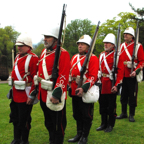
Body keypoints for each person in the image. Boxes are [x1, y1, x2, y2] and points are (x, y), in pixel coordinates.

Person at [36, 25, 70, 144]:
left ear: (56, 39)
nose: (45, 39)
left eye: (48, 37)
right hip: (43, 93)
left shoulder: (63, 53)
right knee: (48, 122)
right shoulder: (44, 52)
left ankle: (58, 141)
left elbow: (64, 75)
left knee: (58, 123)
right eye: (45, 37)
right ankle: (52, 140)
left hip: (55, 94)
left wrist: (56, 94)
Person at [68, 35, 99, 144]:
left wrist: (84, 88)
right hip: (74, 90)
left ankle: (84, 136)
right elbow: (70, 73)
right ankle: (79, 133)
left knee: (86, 115)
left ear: (88, 46)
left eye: (82, 44)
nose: (80, 46)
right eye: (79, 44)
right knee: (77, 114)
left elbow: (93, 76)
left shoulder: (93, 58)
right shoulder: (75, 57)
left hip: (85, 91)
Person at [9, 33, 39, 144]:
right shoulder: (17, 57)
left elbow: (35, 79)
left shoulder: (33, 58)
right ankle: (16, 138)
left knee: (24, 119)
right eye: (18, 45)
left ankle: (24, 140)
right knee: (15, 117)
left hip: (25, 95)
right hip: (15, 93)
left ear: (29, 46)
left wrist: (32, 95)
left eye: (21, 45)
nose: (19, 47)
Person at [96, 33, 124, 132]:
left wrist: (117, 85)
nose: (105, 44)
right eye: (105, 43)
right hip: (102, 83)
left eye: (108, 43)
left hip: (111, 84)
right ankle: (103, 123)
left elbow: (120, 72)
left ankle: (110, 125)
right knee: (102, 105)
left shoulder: (117, 55)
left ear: (113, 45)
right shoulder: (101, 55)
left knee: (111, 106)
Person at [116, 27, 144, 122]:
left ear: (132, 36)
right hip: (122, 75)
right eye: (125, 34)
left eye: (127, 34)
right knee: (123, 95)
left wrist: (135, 71)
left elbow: (142, 61)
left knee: (132, 96)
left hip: (132, 75)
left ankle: (131, 114)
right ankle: (124, 113)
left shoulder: (138, 46)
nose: (125, 35)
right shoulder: (121, 46)